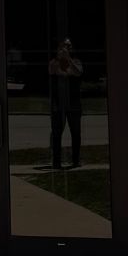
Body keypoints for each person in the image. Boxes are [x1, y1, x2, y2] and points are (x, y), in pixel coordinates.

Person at [47, 37, 83, 169]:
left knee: (76, 133)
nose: (66, 49)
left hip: (73, 104)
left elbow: (78, 72)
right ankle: (56, 162)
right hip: (58, 105)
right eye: (64, 46)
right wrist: (60, 58)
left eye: (69, 46)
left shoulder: (76, 62)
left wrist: (69, 59)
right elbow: (52, 70)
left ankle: (75, 160)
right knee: (56, 133)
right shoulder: (54, 63)